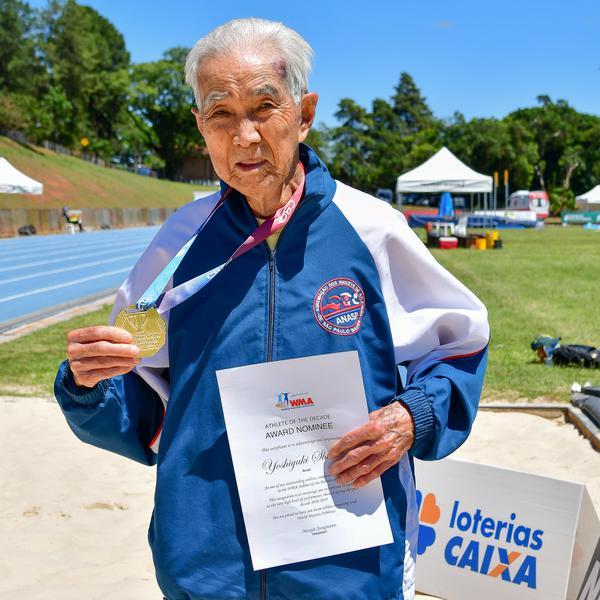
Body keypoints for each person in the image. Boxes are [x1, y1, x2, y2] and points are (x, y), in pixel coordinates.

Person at [54, 18, 489, 600]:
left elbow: (459, 347)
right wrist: (90, 385)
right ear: (200, 128)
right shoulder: (176, 246)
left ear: (304, 113)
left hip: (347, 565)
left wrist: (414, 417)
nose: (245, 137)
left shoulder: (373, 230)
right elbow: (143, 405)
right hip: (207, 569)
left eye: (265, 107)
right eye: (221, 115)